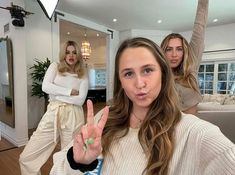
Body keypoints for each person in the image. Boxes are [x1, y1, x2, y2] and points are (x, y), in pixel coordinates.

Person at [50, 37, 235, 175]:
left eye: (147, 70)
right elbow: (58, 169)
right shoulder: (105, 120)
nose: (139, 84)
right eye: (129, 74)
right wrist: (79, 163)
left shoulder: (194, 132)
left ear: (163, 73)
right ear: (120, 81)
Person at [19, 40, 89, 175]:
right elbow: (45, 87)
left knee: (70, 159)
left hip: (74, 115)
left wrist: (56, 94)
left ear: (79, 55)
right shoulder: (55, 66)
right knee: (26, 157)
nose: (71, 55)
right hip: (54, 112)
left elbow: (80, 100)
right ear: (63, 54)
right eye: (67, 52)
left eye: (74, 52)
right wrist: (69, 92)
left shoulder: (83, 72)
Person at [160, 0, 209, 115]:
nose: (174, 54)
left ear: (184, 52)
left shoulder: (191, 67)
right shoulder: (159, 76)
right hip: (168, 127)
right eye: (169, 49)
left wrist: (203, 3)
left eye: (179, 49)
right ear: (163, 52)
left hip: (193, 127)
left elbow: (199, 29)